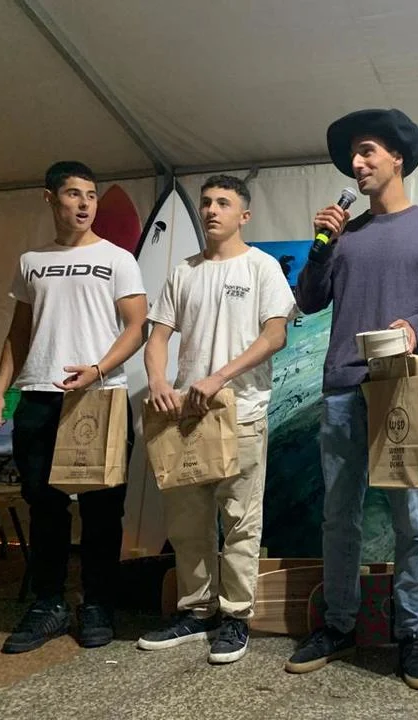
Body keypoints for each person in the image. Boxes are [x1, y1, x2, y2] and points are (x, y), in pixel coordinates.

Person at [285, 108, 418, 689]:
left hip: (405, 385)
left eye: (367, 151)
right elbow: (309, 301)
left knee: (410, 519)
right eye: (353, 155)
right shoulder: (344, 234)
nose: (357, 163)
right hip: (343, 388)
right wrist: (321, 248)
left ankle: (412, 632)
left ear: (398, 157)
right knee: (338, 516)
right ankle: (339, 623)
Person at [0, 161, 147, 653]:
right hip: (39, 393)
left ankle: (98, 602)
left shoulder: (117, 258)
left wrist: (98, 369)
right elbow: (19, 331)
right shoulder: (31, 261)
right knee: (44, 505)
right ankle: (48, 603)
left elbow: (137, 327)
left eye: (90, 195)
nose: (84, 204)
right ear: (50, 198)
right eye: (74, 194)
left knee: (102, 508)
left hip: (99, 393)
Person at [136, 174, 297, 665]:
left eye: (223, 203)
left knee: (241, 520)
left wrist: (220, 376)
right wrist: (158, 380)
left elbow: (275, 336)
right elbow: (157, 336)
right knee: (188, 523)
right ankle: (196, 611)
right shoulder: (183, 271)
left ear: (243, 215)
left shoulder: (262, 267)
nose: (210, 210)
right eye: (206, 202)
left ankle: (236, 618)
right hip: (185, 416)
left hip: (240, 413)